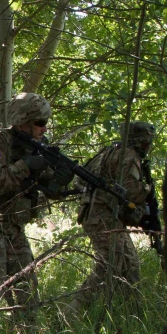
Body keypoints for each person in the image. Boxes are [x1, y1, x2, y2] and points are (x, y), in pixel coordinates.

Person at [0, 92, 72, 317]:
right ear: (23, 122)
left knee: (27, 287)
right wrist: (27, 165)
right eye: (40, 123)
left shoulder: (38, 146)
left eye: (46, 123)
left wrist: (60, 181)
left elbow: (48, 189)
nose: (44, 128)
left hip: (13, 224)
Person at [69, 122, 156, 313]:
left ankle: (132, 315)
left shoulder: (111, 150)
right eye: (147, 142)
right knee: (108, 267)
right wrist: (148, 189)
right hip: (103, 217)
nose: (148, 146)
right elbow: (132, 190)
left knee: (130, 263)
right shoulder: (128, 155)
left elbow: (80, 181)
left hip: (101, 215)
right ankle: (70, 315)